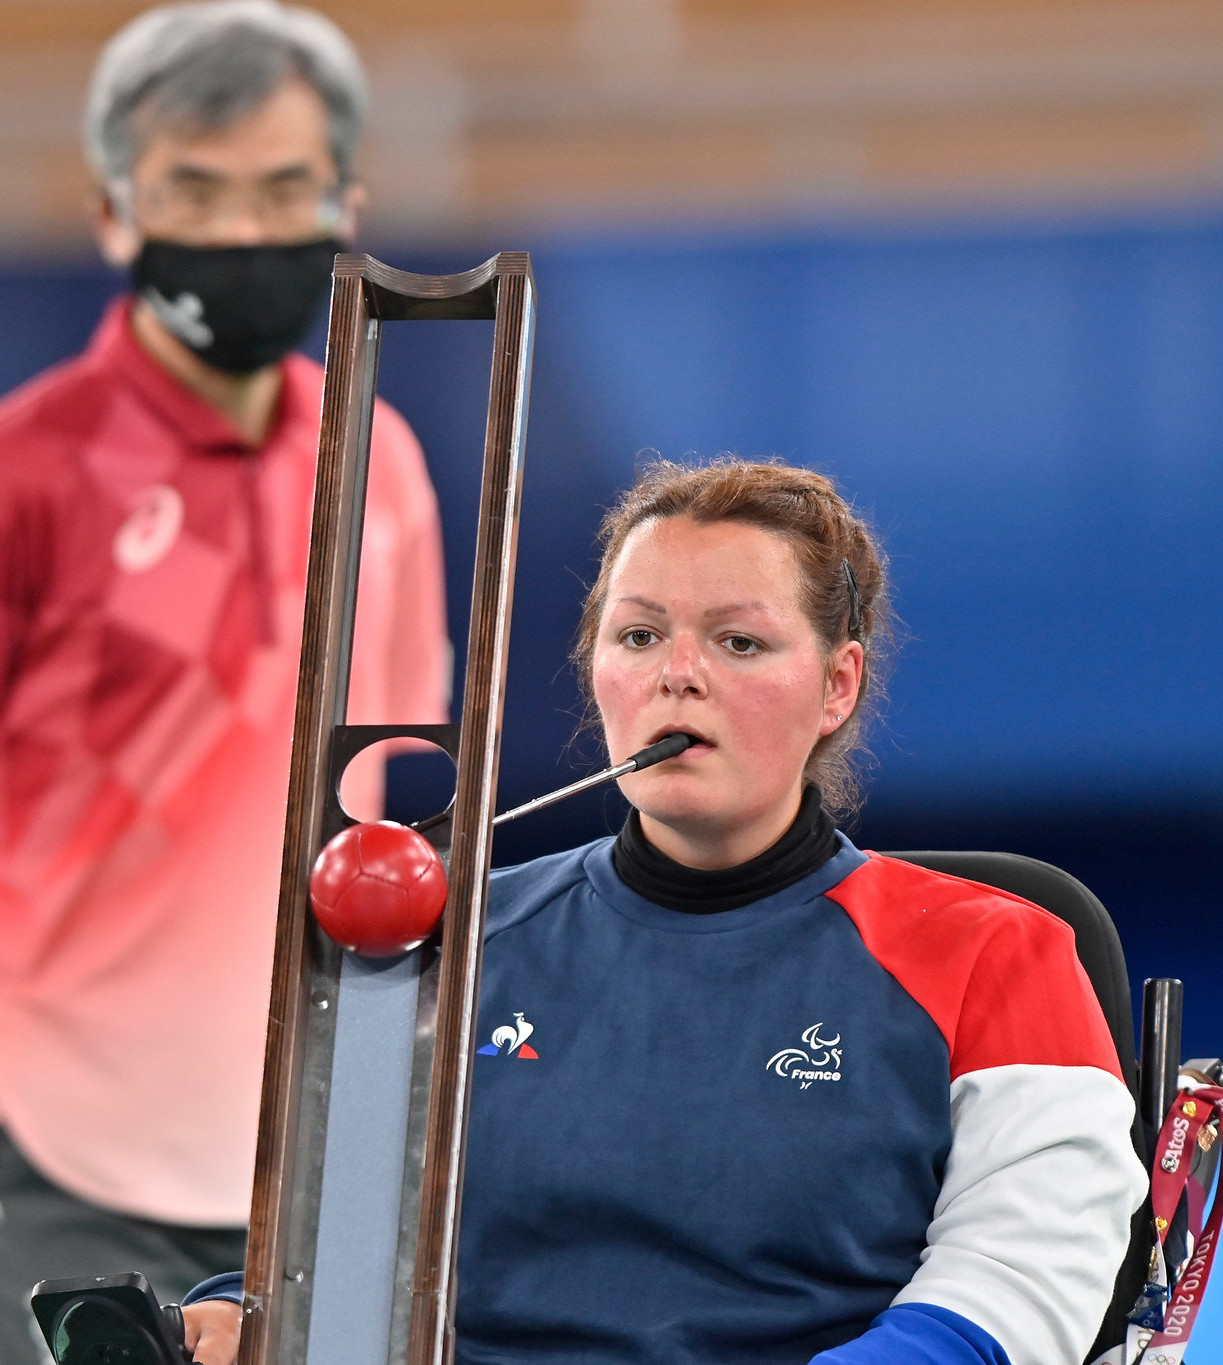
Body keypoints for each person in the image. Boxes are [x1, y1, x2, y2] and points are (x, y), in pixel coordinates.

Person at [181, 458, 1148, 1365]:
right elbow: (334, 1247)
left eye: (739, 641)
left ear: (836, 686)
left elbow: (1020, 1277)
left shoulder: (997, 950)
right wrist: (238, 1316)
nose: (675, 673)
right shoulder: (454, 944)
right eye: (639, 636)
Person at [0, 2, 450, 1358]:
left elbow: (386, 806)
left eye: (281, 189)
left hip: (307, 1155)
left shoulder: (384, 462)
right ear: (115, 212)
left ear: (345, 203)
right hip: (51, 1154)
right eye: (197, 192)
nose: (245, 230)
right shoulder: (31, 474)